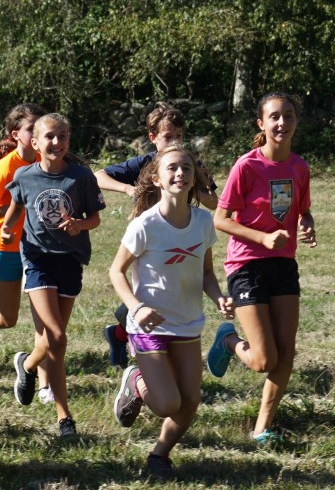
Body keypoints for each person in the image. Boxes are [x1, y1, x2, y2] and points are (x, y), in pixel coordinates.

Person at [107, 145, 233, 480]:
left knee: (189, 401)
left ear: (194, 178)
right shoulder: (145, 225)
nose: (180, 174)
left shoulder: (204, 222)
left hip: (188, 322)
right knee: (166, 404)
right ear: (157, 178)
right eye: (173, 168)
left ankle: (158, 455)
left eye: (187, 169)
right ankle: (135, 380)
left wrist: (219, 296)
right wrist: (137, 306)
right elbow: (116, 272)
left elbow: (206, 272)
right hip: (148, 326)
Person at [206, 92, 316, 444]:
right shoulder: (246, 165)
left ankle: (262, 428)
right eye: (274, 117)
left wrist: (307, 222)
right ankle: (228, 340)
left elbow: (302, 209)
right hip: (247, 264)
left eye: (288, 116)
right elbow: (220, 220)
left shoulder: (299, 167)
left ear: (296, 122)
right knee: (263, 360)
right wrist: (262, 238)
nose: (281, 123)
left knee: (286, 352)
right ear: (262, 123)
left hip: (283, 265)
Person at [0, 113, 105, 438]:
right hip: (37, 259)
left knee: (52, 341)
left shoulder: (81, 176)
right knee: (57, 338)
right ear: (35, 142)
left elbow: (95, 219)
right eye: (49, 137)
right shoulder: (24, 174)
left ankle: (28, 366)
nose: (56, 143)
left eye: (62, 137)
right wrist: (6, 227)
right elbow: (17, 204)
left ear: (68, 141)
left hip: (70, 260)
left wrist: (80, 225)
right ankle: (65, 419)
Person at [95, 103, 219, 367]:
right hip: (149, 238)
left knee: (161, 295)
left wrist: (195, 186)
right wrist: (128, 190)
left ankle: (118, 333)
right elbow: (98, 176)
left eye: (179, 136)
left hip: (182, 233)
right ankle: (128, 336)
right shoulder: (144, 163)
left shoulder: (191, 166)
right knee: (148, 294)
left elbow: (213, 203)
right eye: (168, 137)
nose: (175, 141)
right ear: (153, 138)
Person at [0, 104, 54, 402]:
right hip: (4, 248)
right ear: (16, 134)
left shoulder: (47, 161)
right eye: (32, 128)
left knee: (44, 320)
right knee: (8, 318)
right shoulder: (5, 168)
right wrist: (16, 208)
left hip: (38, 248)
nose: (38, 134)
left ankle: (44, 384)